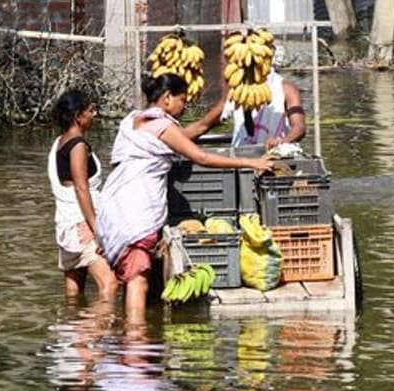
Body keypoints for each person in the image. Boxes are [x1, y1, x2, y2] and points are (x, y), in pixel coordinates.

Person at [97, 74, 274, 323]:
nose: (184, 106)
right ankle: (135, 345)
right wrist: (249, 162)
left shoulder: (132, 120)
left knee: (128, 275)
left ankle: (122, 333)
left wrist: (223, 103)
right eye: (182, 100)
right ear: (167, 98)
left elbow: (196, 129)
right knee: (139, 281)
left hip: (113, 209)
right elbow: (200, 157)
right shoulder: (162, 127)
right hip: (135, 212)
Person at [48, 89, 117, 300]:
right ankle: (91, 331)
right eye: (91, 110)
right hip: (82, 225)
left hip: (66, 223)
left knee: (73, 292)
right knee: (110, 285)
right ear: (78, 116)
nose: (94, 115)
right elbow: (81, 189)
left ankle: (71, 330)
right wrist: (97, 230)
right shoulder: (77, 146)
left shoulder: (60, 142)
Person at [220, 33, 306, 149]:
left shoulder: (286, 88)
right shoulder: (238, 87)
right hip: (241, 155)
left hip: (274, 153)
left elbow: (299, 127)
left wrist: (283, 141)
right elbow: (216, 117)